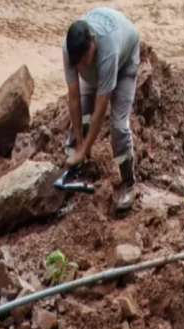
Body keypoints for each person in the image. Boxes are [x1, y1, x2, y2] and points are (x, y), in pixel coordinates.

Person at [62, 7, 140, 213]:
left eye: (83, 60)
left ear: (93, 41)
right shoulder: (70, 50)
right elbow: (73, 98)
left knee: (118, 125)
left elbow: (100, 111)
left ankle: (128, 183)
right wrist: (79, 142)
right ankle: (73, 170)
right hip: (98, 66)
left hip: (124, 61)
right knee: (81, 115)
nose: (80, 66)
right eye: (77, 63)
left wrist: (85, 150)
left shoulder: (108, 50)